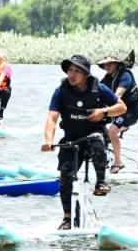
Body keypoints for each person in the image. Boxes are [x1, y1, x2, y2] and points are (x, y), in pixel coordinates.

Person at [42, 54, 127, 230]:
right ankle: (67, 218)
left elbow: (122, 107)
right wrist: (48, 140)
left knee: (96, 139)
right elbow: (52, 118)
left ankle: (101, 182)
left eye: (77, 71)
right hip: (72, 139)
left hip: (94, 137)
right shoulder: (61, 91)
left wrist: (103, 112)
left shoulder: (100, 89)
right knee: (65, 174)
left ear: (86, 75)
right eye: (70, 70)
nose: (71, 74)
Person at [97, 51, 138, 174]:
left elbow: (118, 95)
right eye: (105, 64)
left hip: (130, 111)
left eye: (111, 63)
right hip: (115, 111)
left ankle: (118, 162)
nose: (107, 66)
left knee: (112, 131)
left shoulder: (125, 75)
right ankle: (98, 160)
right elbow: (95, 93)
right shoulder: (106, 79)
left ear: (117, 64)